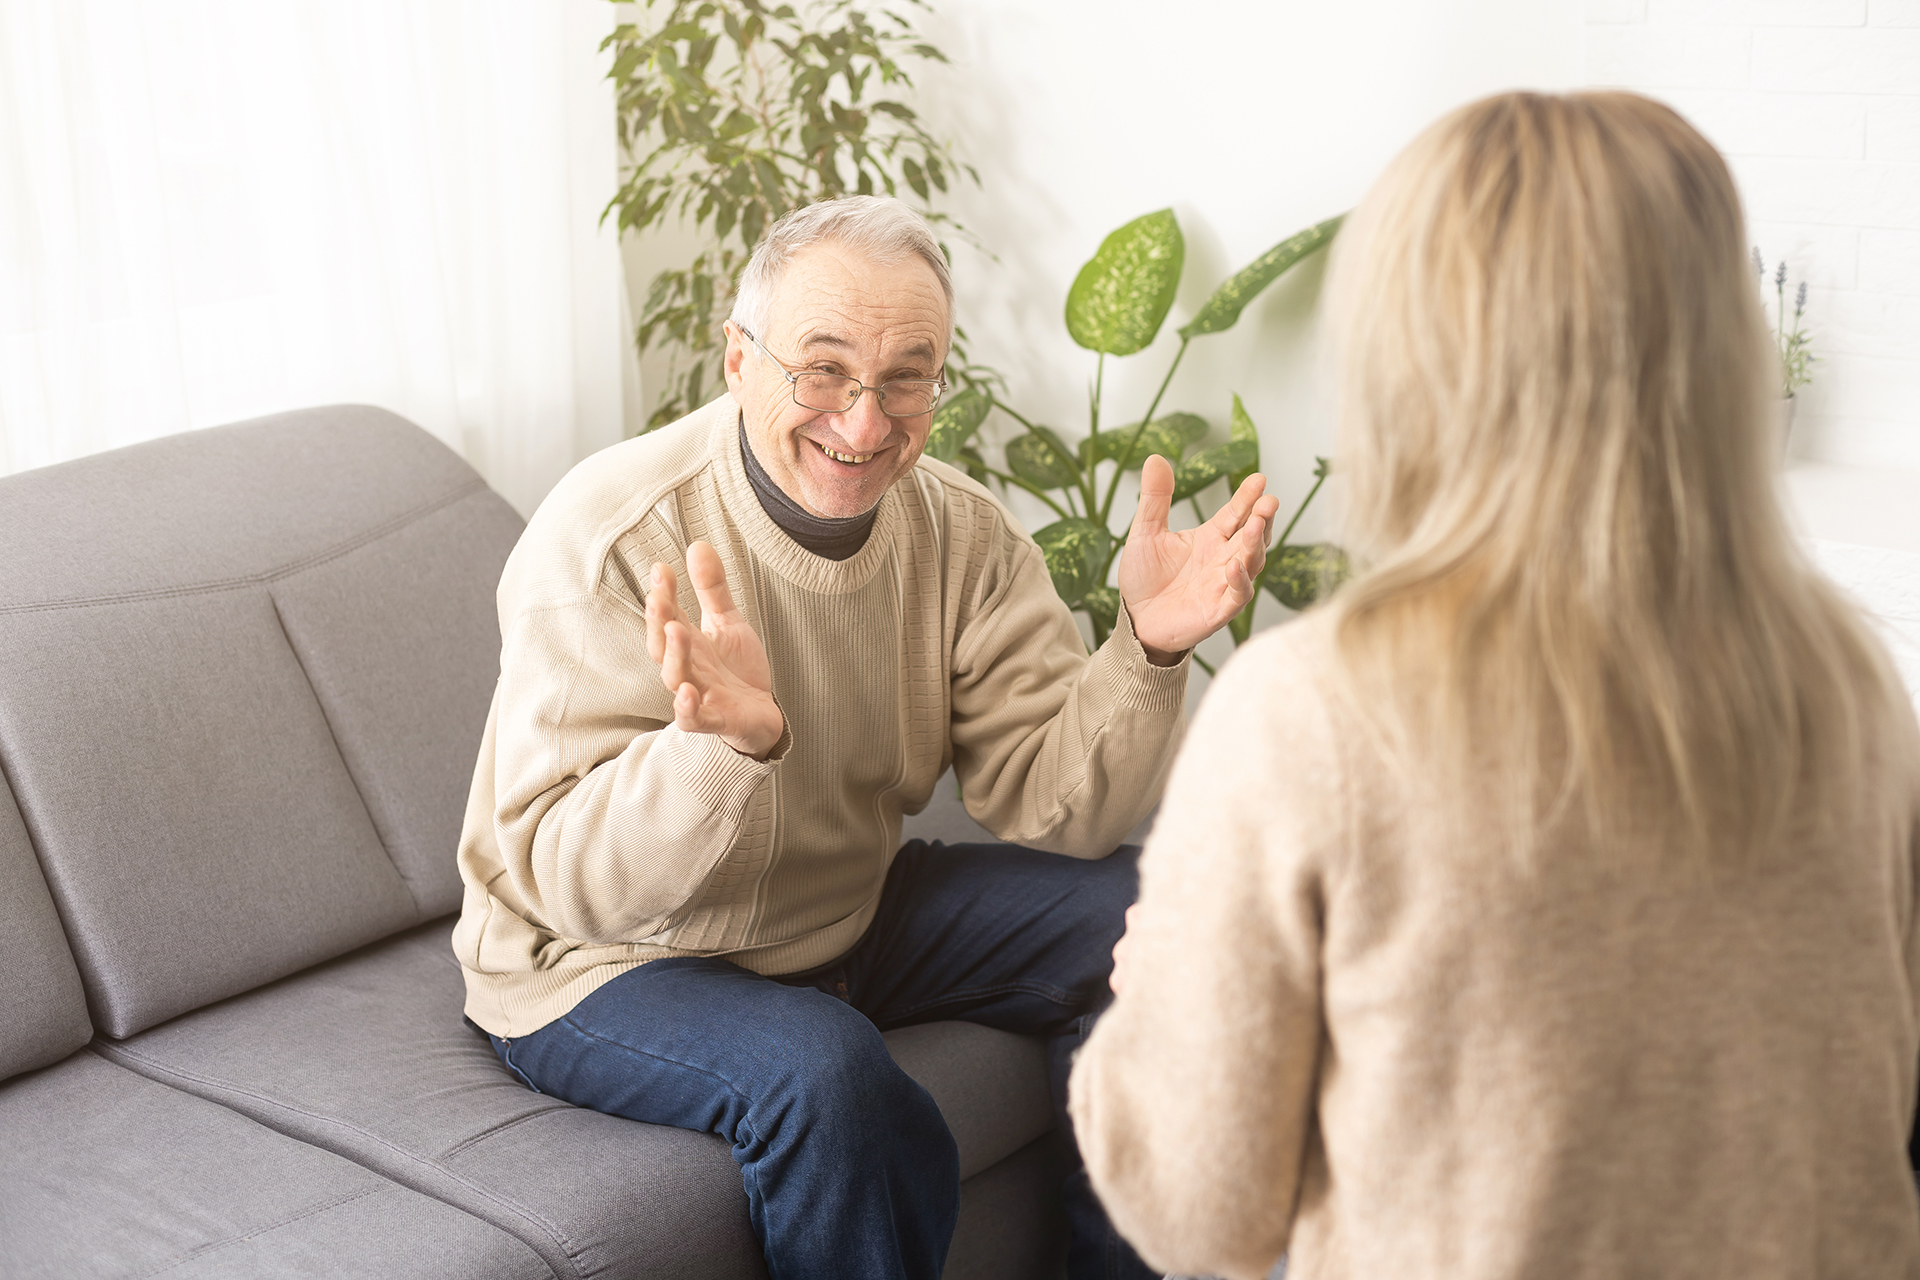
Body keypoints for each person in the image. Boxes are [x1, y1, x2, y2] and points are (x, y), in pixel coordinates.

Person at [1069, 90, 1920, 1280]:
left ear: (1414, 365)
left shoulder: (1313, 713)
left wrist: (1151, 989)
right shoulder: (1853, 688)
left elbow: (1199, 1209)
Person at [450, 194, 1280, 1280]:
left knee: (1165, 915)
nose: (865, 420)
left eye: (906, 379)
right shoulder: (610, 533)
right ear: (738, 357)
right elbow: (568, 881)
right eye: (824, 369)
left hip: (839, 911)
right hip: (602, 958)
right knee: (824, 1070)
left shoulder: (961, 532)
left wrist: (1147, 650)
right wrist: (716, 753)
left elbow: (1052, 802)